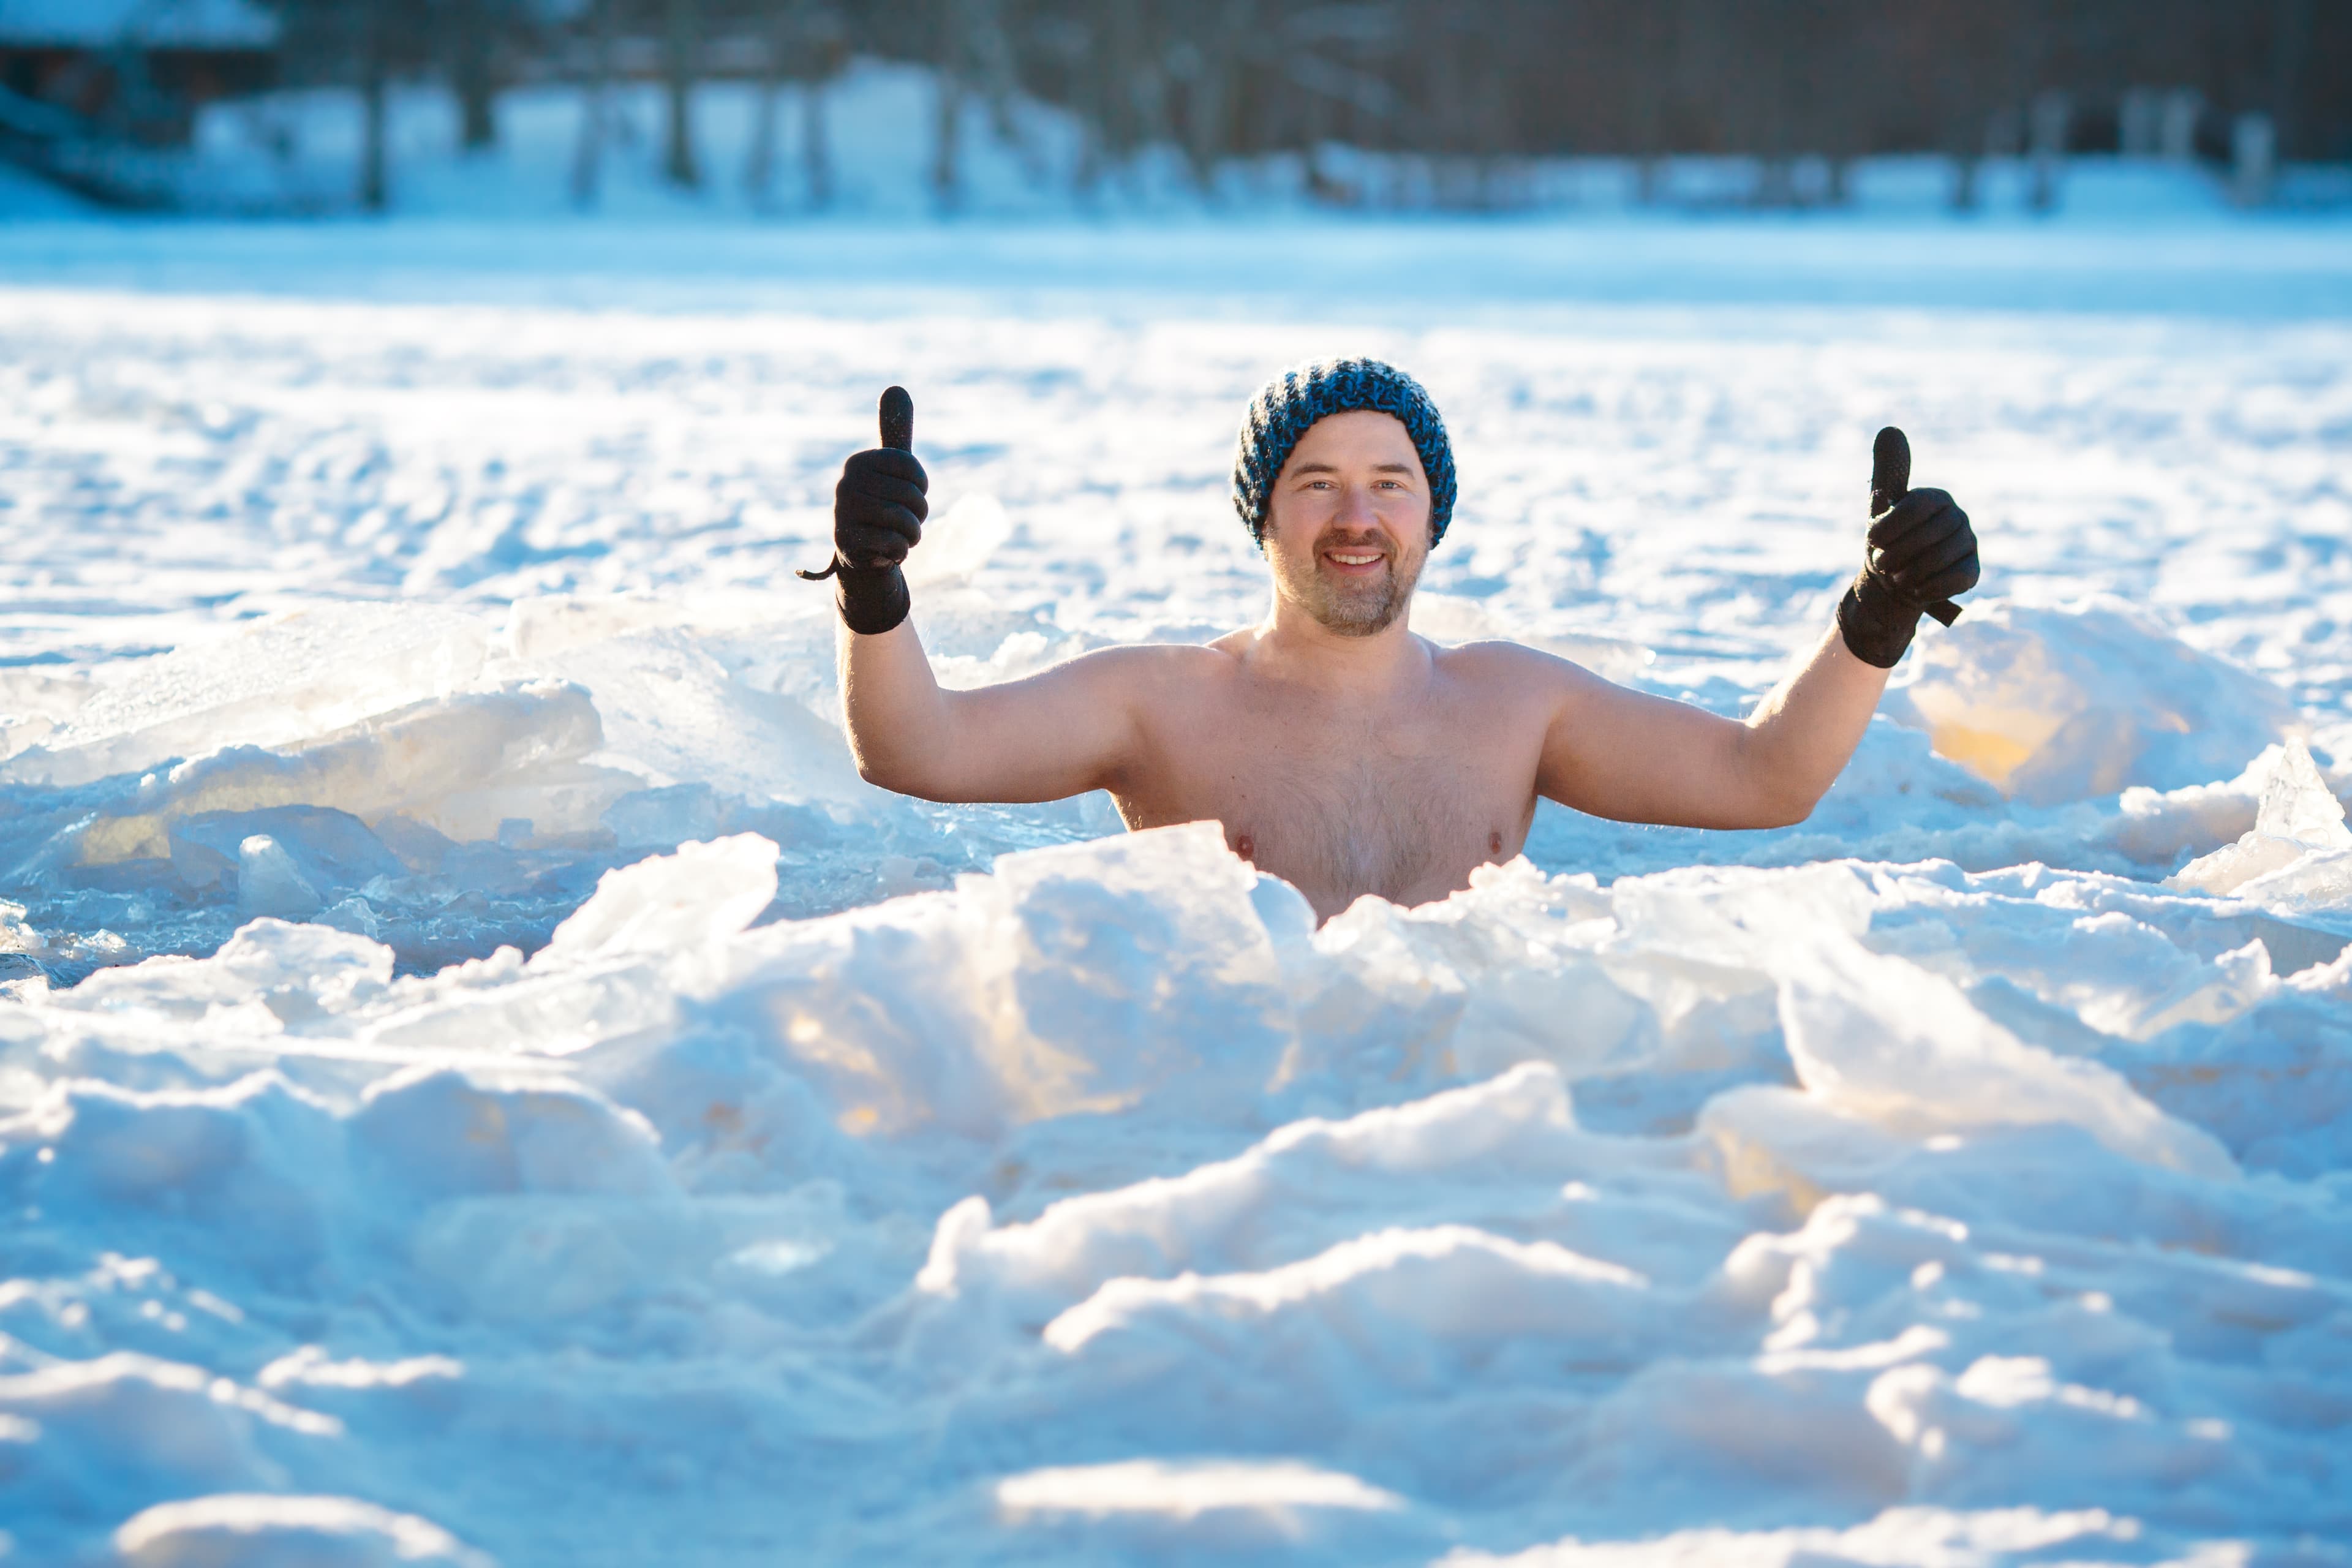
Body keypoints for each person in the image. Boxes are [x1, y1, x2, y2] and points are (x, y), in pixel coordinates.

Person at [814, 358, 1978, 924]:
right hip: (1232, 1126)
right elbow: (923, 751)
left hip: (1452, 1122)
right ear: (1263, 515)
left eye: (1390, 483)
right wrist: (873, 586)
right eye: (1315, 483)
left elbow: (1764, 779)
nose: (1356, 517)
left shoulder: (1517, 707)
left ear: (1432, 514)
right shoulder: (1160, 703)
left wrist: (1876, 617)